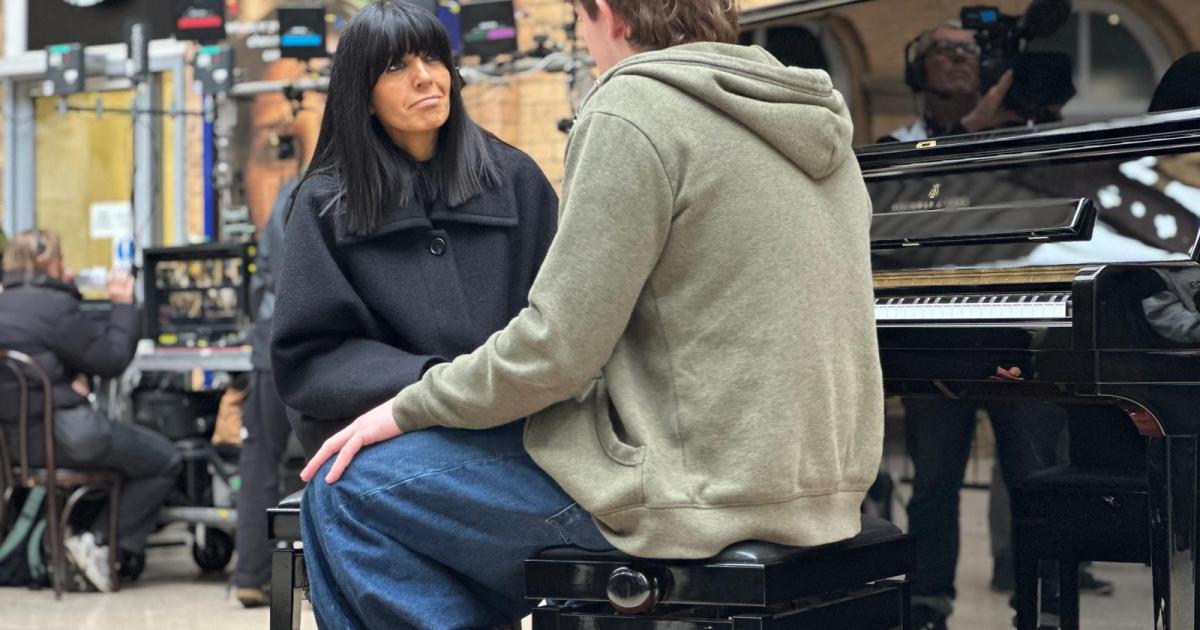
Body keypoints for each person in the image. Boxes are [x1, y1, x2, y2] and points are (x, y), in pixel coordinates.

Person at [291, 0, 883, 627]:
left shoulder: (631, 109)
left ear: (609, 14)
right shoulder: (816, 120)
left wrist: (408, 403)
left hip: (689, 500)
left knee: (347, 491)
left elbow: (557, 351)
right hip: (823, 493)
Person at [0, 229, 181, 592]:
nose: (66, 268)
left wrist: (64, 381)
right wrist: (122, 303)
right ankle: (94, 541)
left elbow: (30, 370)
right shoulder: (54, 307)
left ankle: (75, 541)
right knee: (165, 459)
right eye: (60, 260)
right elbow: (112, 359)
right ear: (45, 263)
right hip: (68, 436)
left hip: (14, 447)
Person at [232, 81, 327, 607]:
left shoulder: (285, 197)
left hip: (268, 347)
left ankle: (250, 576)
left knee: (259, 459)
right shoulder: (327, 194)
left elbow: (261, 276)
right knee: (324, 461)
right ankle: (321, 578)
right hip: (309, 348)